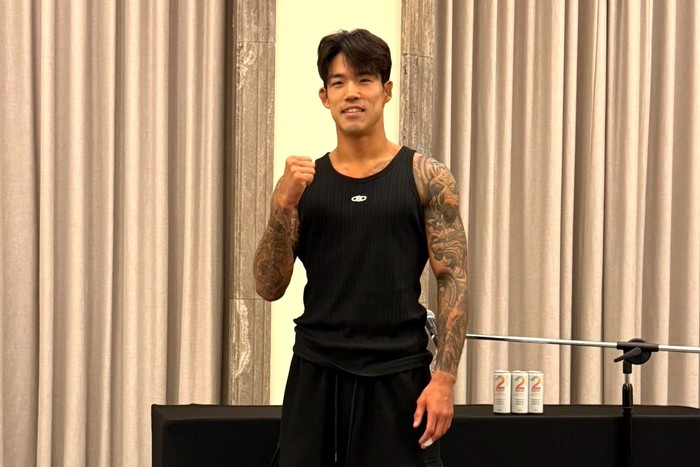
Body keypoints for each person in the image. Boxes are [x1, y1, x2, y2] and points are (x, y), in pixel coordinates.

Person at [253, 28, 469, 467]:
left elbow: (453, 280)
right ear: (325, 96)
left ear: (386, 91)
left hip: (398, 375)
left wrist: (444, 378)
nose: (351, 92)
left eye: (364, 79)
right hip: (316, 373)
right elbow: (268, 286)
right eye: (338, 82)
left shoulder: (427, 177)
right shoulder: (302, 185)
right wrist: (282, 206)